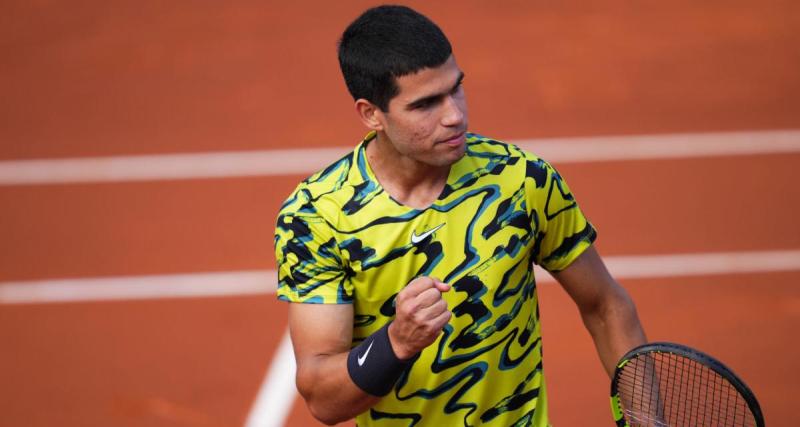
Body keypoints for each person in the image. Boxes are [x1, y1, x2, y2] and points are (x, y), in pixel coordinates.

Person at [274, 5, 646, 426]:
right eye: (425, 104)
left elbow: (606, 306)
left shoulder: (520, 180)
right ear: (371, 114)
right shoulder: (317, 216)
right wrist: (397, 341)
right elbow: (324, 399)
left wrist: (648, 423)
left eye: (456, 89)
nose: (454, 116)